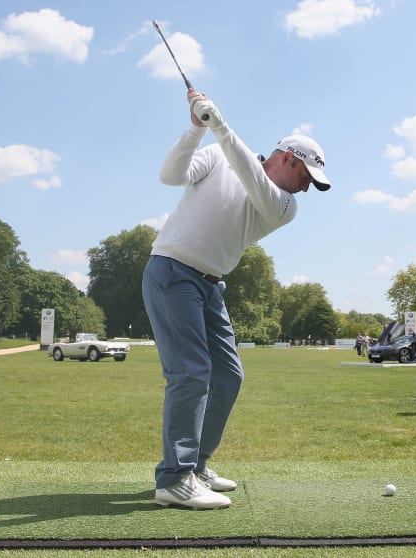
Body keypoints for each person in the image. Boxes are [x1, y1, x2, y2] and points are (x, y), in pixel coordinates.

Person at [142, 89, 332, 510]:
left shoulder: (283, 206)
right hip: (172, 271)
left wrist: (220, 125)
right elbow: (170, 176)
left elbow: (252, 178)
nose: (305, 189)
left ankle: (195, 465)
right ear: (288, 158)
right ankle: (174, 478)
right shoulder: (217, 156)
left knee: (227, 376)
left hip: (210, 286)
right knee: (191, 373)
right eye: (305, 177)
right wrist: (196, 128)